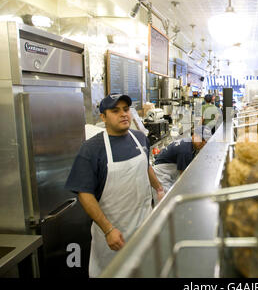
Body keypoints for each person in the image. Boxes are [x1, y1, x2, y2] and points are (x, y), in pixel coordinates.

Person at [64, 93, 164, 277]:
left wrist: (159, 189)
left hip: (143, 225)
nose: (124, 114)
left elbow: (145, 165)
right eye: (115, 111)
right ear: (103, 117)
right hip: (114, 234)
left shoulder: (139, 138)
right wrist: (108, 229)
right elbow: (84, 193)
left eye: (126, 109)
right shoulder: (92, 149)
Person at [152, 126, 212, 192]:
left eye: (206, 141)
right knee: (165, 200)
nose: (204, 143)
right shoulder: (186, 150)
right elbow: (183, 177)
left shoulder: (191, 144)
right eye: (202, 139)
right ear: (194, 136)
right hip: (161, 175)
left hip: (170, 174)